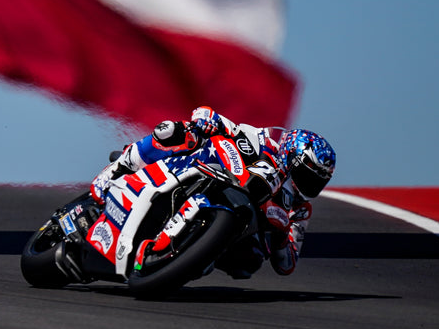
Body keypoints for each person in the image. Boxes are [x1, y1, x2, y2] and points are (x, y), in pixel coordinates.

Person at [89, 106, 336, 279]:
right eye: (307, 176)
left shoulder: (300, 209)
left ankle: (191, 254)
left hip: (244, 224)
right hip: (213, 173)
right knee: (177, 132)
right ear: (292, 157)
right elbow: (214, 118)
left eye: (317, 182)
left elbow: (287, 265)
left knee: (249, 263)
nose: (310, 186)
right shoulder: (261, 140)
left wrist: (281, 236)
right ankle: (118, 167)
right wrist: (207, 119)